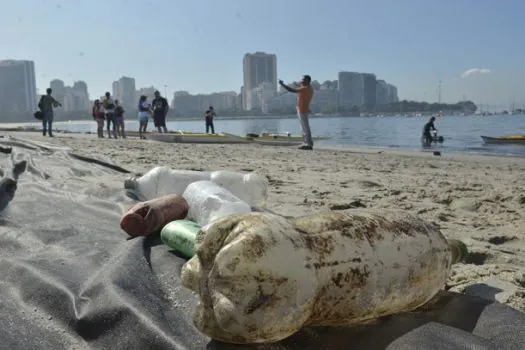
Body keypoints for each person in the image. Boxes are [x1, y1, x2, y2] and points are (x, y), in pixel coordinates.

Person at [279, 75, 314, 150]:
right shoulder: (308, 88)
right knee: (304, 127)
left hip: (303, 110)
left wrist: (282, 84)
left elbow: (292, 90)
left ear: (307, 81)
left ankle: (308, 144)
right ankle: (307, 143)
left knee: (305, 127)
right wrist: (296, 85)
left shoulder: (305, 89)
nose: (301, 81)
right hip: (303, 109)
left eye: (303, 80)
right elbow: (300, 88)